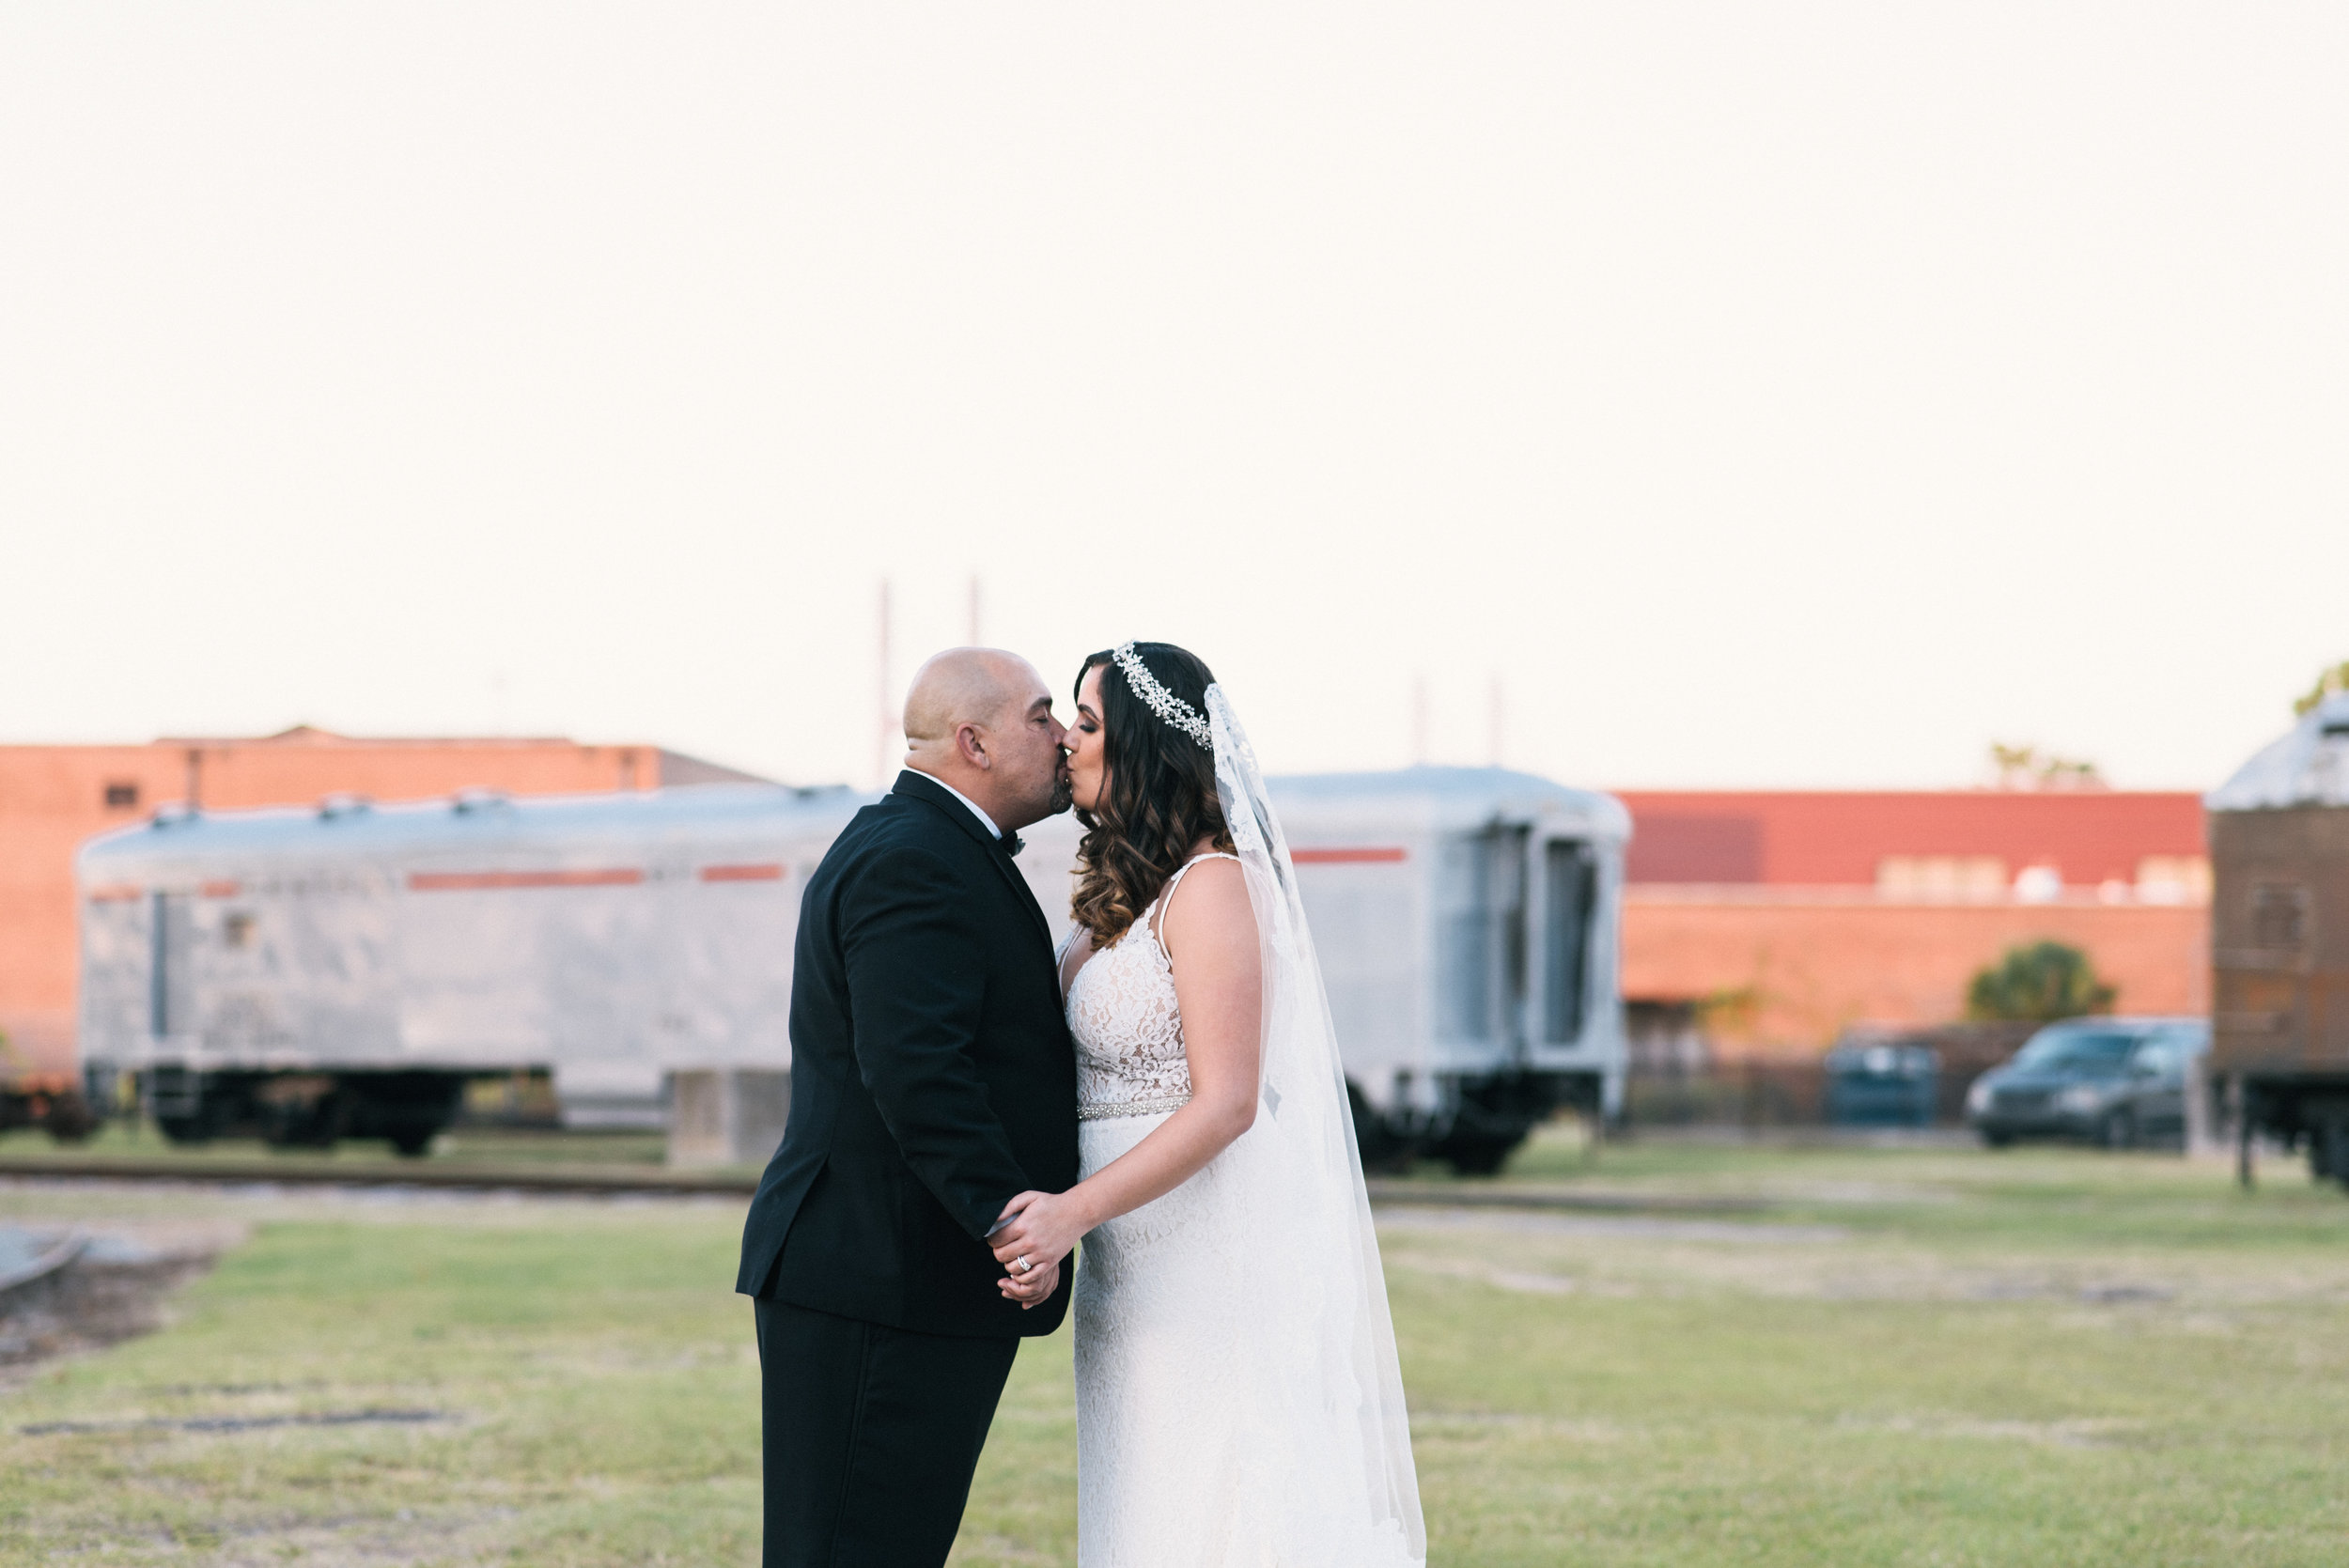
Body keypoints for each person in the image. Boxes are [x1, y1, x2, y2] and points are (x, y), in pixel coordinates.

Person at [988, 642, 1426, 1567]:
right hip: (1126, 1262)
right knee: (1142, 1484)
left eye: (1091, 722)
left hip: (1202, 1247)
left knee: (1214, 1491)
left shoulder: (1213, 884)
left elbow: (1226, 1102)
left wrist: (1072, 1210)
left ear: (1145, 746)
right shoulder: (1120, 894)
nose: (1067, 739)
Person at [736, 647, 1076, 1568]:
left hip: (898, 1273)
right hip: (878, 1277)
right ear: (973, 740)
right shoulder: (914, 860)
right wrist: (1013, 1225)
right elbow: (917, 1071)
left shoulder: (930, 845)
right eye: (1042, 715)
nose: (1064, 736)